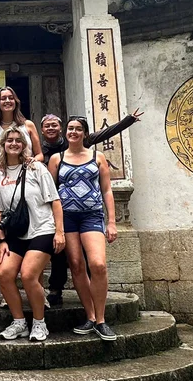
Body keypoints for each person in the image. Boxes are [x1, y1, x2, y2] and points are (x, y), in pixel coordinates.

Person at [40, 108, 143, 306]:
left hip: (90, 215)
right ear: (42, 130)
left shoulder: (82, 144)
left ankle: (94, 301)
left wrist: (128, 120)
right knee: (62, 255)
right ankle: (57, 288)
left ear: (60, 129)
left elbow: (105, 134)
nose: (51, 128)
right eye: (47, 126)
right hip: (64, 213)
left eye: (55, 125)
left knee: (93, 260)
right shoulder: (42, 152)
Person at [0, 125, 64, 342]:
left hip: (42, 229)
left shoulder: (36, 168)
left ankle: (39, 323)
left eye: (17, 140)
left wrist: (60, 232)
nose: (13, 143)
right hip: (15, 234)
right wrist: (1, 240)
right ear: (2, 145)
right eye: (8, 140)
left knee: (29, 274)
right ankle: (19, 322)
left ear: (24, 145)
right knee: (4, 274)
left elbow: (55, 201)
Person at [48, 116, 117, 341]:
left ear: (85, 133)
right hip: (67, 217)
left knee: (97, 264)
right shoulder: (57, 158)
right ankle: (90, 316)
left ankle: (101, 319)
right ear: (65, 132)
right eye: (70, 129)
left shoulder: (97, 157)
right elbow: (50, 194)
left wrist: (112, 221)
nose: (74, 132)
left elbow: (106, 190)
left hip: (91, 215)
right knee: (76, 265)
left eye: (78, 129)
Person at [0, 86, 42, 165]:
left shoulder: (28, 125)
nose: (7, 101)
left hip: (28, 171)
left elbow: (39, 155)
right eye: (3, 98)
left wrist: (33, 161)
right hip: (4, 175)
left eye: (11, 98)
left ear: (16, 102)